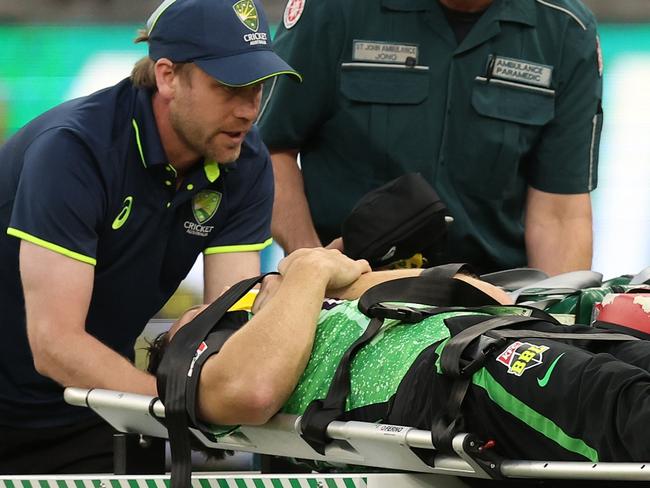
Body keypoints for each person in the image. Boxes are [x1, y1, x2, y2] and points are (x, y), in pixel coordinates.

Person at [0, 0, 299, 474]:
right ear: (166, 76)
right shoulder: (74, 149)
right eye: (228, 87)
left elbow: (225, 320)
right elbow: (53, 343)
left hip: (92, 411)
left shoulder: (245, 160)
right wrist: (183, 405)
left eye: (259, 87)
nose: (248, 110)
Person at [156, 248, 650, 464]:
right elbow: (252, 391)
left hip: (510, 332)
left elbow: (484, 294)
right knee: (624, 406)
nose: (222, 306)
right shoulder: (205, 372)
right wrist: (305, 271)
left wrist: (325, 284)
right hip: (459, 374)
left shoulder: (295, 312)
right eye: (208, 316)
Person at [257, 0, 603, 275]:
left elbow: (561, 213)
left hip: (491, 304)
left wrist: (550, 323)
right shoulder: (334, 8)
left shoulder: (565, 30)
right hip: (355, 289)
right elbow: (270, 150)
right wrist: (313, 264)